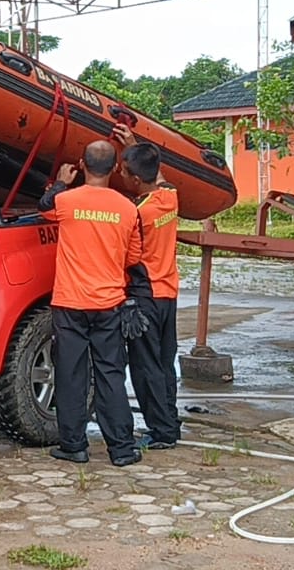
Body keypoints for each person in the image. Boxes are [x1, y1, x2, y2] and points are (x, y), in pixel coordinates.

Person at [38, 140, 144, 467]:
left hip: (70, 304)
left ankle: (74, 446)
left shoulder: (66, 202)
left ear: (82, 165)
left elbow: (44, 207)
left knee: (71, 375)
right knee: (111, 374)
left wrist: (60, 181)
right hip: (110, 304)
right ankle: (122, 449)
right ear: (115, 169)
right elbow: (134, 257)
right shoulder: (128, 208)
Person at [113, 123, 182, 450]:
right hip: (168, 294)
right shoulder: (170, 198)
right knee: (165, 363)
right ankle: (170, 421)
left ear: (136, 181)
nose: (122, 175)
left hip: (145, 296)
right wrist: (133, 144)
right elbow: (159, 174)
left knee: (145, 368)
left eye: (125, 172)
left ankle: (162, 432)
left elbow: (129, 258)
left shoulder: (137, 213)